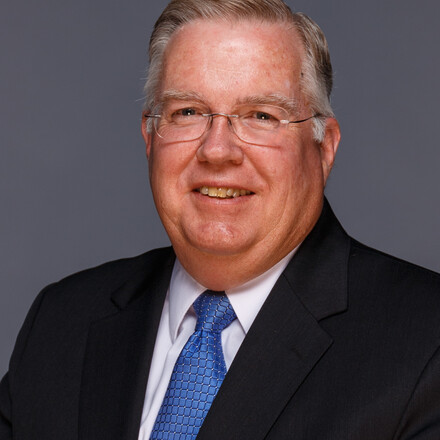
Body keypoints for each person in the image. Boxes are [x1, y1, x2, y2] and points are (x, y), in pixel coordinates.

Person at [1, 0, 440, 438]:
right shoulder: (61, 323)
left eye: (261, 116)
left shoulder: (425, 341)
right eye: (187, 112)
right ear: (150, 137)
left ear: (323, 149)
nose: (216, 150)